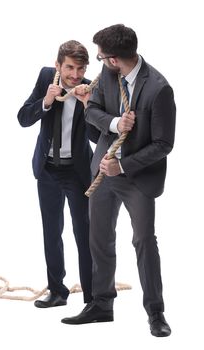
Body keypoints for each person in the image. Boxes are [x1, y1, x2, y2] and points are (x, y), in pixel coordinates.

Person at [61, 25, 176, 337]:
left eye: (100, 54)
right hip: (103, 170)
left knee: (143, 242)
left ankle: (156, 312)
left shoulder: (159, 88)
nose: (96, 58)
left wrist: (123, 166)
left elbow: (164, 144)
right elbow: (92, 112)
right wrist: (114, 123)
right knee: (99, 237)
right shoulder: (108, 74)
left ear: (114, 59)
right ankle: (101, 304)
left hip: (137, 177)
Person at [17, 40, 97, 308]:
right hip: (48, 169)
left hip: (77, 172)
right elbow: (23, 118)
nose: (75, 75)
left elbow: (98, 135)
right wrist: (47, 101)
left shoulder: (91, 88)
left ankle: (92, 297)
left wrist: (88, 105)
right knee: (51, 232)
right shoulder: (45, 78)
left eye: (80, 68)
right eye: (70, 68)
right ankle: (57, 291)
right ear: (58, 65)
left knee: (84, 234)